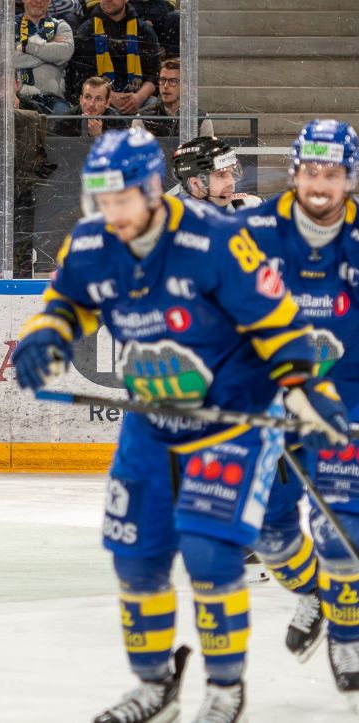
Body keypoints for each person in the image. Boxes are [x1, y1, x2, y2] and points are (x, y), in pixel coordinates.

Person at [12, 127, 349, 722]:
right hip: (153, 426)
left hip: (231, 425)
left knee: (211, 554)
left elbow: (277, 320)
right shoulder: (92, 240)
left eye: (121, 199)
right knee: (135, 557)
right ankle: (155, 687)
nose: (112, 213)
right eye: (102, 200)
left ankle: (224, 691)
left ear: (149, 190)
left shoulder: (215, 240)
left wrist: (304, 386)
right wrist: (48, 333)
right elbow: (69, 301)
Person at [236, 119, 359, 698]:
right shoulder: (253, 233)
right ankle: (314, 593)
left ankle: (348, 634)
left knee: (341, 530)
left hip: (345, 403)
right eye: (311, 170)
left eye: (332, 172)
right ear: (294, 172)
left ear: (349, 178)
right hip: (273, 405)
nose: (320, 183)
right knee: (268, 532)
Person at [68, 0, 159, 116]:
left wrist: (138, 98)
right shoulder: (87, 30)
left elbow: (153, 77)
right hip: (101, 100)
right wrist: (109, 96)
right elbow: (82, 79)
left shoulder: (144, 30)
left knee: (154, 104)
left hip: (138, 100)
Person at [8, 0, 73, 115]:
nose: (38, 1)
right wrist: (48, 51)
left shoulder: (61, 26)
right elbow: (5, 58)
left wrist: (25, 46)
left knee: (65, 117)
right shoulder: (9, 26)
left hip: (52, 99)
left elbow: (64, 53)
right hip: (16, 97)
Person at [173, 136, 261, 212]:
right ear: (195, 184)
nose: (231, 181)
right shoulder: (175, 221)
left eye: (232, 171)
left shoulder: (253, 207)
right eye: (220, 175)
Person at [137, 57, 215, 138]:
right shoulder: (142, 118)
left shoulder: (201, 119)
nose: (165, 86)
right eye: (162, 80)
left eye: (173, 81)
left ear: (185, 86)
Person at [53, 74, 124, 137]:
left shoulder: (118, 122)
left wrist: (99, 136)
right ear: (81, 100)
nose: (92, 104)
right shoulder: (67, 119)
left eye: (98, 99)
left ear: (107, 103)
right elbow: (53, 146)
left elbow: (123, 148)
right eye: (88, 97)